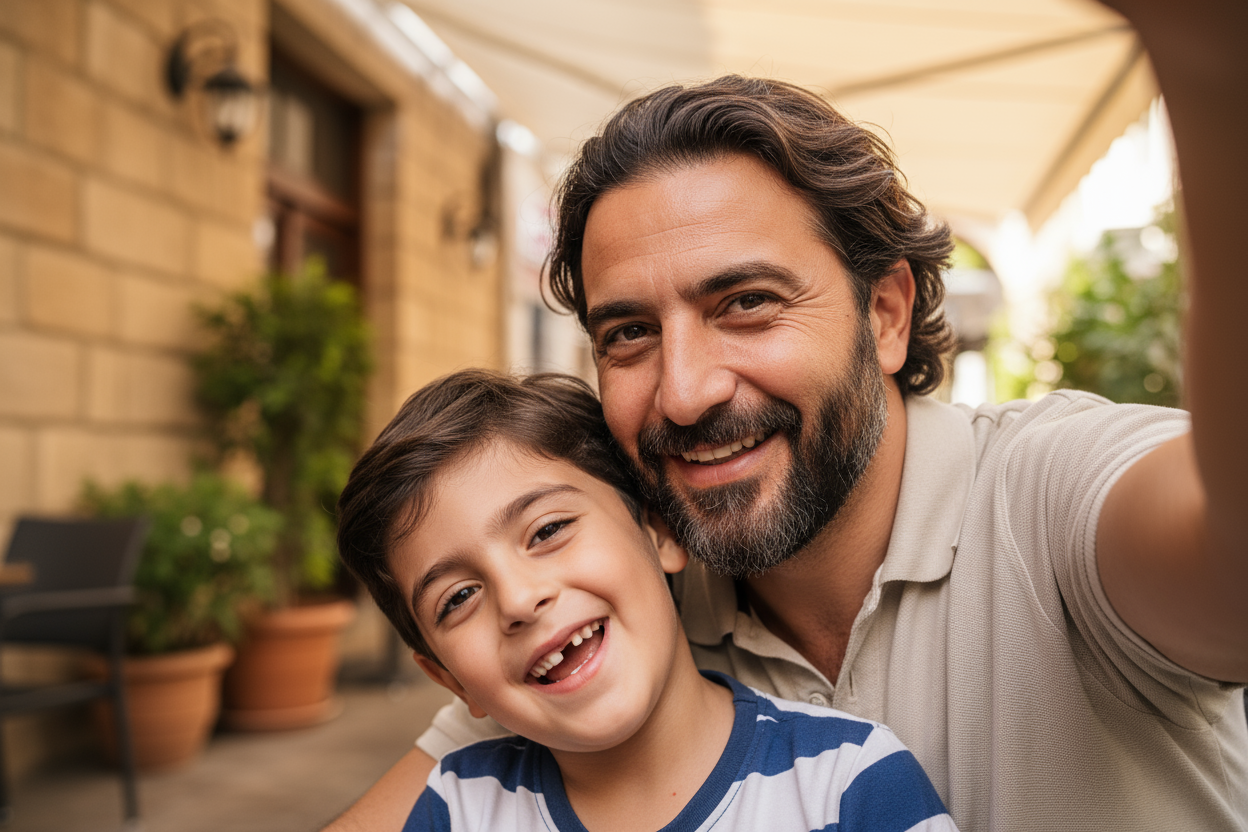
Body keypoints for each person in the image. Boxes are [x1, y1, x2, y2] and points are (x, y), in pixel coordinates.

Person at [324, 2, 1247, 830]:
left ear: (885, 313)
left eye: (748, 304)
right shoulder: (607, 594)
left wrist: (1206, 65)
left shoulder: (1048, 495)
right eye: (631, 332)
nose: (685, 391)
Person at [335, 369, 958, 832]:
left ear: (658, 529)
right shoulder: (457, 807)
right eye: (459, 597)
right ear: (449, 679)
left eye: (548, 530)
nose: (520, 599)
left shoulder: (850, 781)